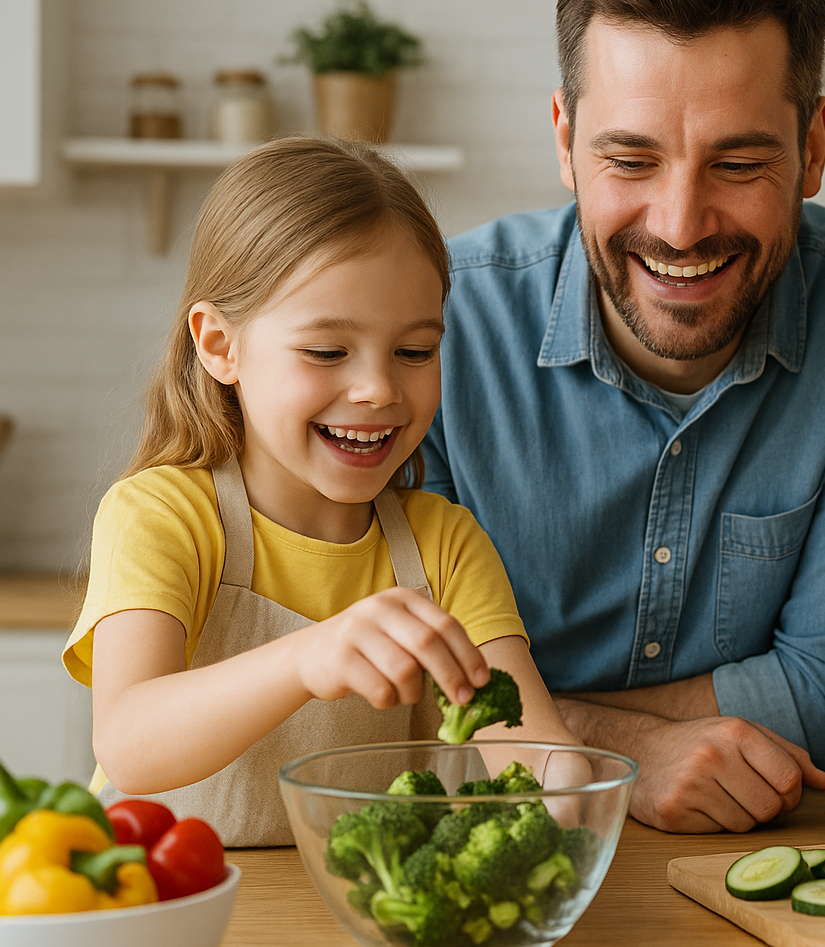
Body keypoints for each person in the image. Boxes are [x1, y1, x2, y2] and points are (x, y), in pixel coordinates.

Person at [422, 0, 825, 833]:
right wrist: (624, 763)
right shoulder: (436, 325)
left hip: (804, 864)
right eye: (631, 160)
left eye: (739, 163)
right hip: (503, 857)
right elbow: (391, 699)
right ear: (565, 140)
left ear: (814, 147)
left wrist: (527, 725)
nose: (680, 225)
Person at [63, 137, 580, 846]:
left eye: (415, 351)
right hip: (163, 908)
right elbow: (128, 742)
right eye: (327, 351)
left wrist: (570, 797)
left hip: (351, 909)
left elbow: (531, 747)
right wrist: (308, 657)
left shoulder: (445, 544)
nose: (377, 388)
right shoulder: (161, 516)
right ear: (220, 345)